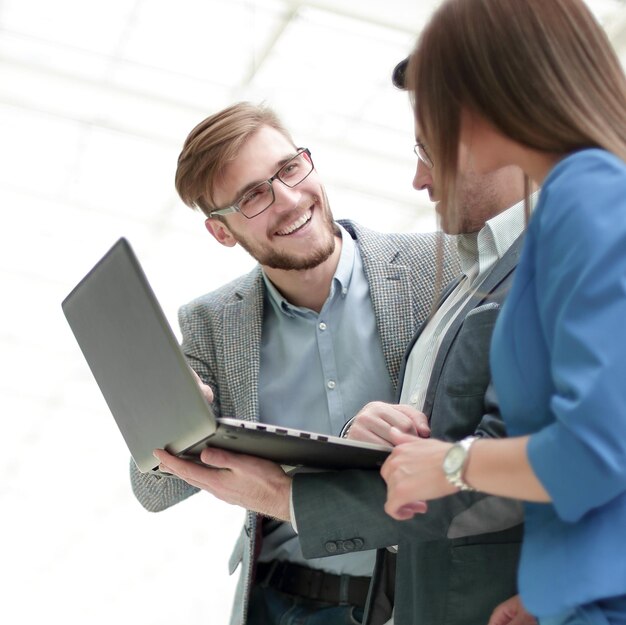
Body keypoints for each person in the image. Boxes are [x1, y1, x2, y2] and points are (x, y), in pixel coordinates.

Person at [154, 67, 535, 621]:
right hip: (279, 596)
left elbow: (498, 451)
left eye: (289, 168)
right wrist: (165, 422)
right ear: (222, 231)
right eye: (254, 196)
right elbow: (155, 489)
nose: (287, 199)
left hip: (401, 595)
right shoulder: (213, 323)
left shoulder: (448, 266)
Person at [379, 1, 626, 625]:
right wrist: (548, 588)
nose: (429, 135)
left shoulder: (589, 196)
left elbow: (596, 452)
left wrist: (451, 464)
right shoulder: (573, 206)